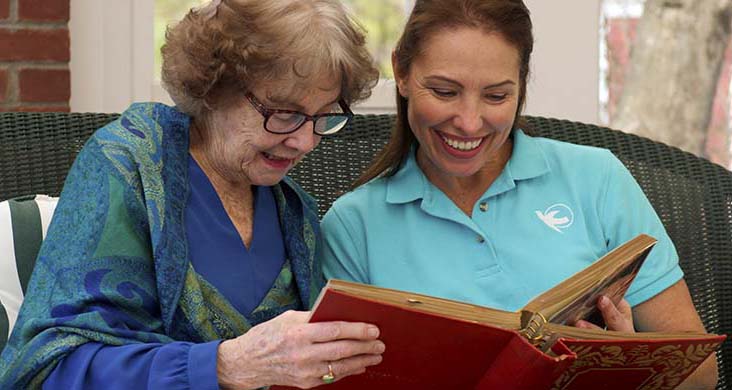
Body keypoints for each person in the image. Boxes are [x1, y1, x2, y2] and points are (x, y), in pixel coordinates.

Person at [318, 0, 718, 387]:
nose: (470, 123)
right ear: (401, 73)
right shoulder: (353, 226)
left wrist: (625, 363)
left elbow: (702, 373)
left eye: (496, 96)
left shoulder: (598, 179)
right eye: (444, 91)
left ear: (521, 85)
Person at [0, 0, 385, 389]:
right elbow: (51, 369)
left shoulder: (293, 211)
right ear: (215, 88)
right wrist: (225, 366)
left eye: (324, 117)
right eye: (284, 113)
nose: (304, 141)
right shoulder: (127, 167)